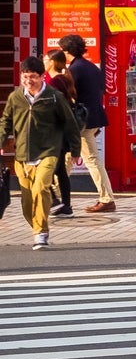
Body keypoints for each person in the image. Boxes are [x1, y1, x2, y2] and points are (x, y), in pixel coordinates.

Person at [3, 59, 81, 249]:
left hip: (48, 152)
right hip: (22, 155)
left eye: (33, 77)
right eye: (25, 77)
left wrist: (75, 151)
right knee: (26, 203)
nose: (29, 81)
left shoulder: (54, 97)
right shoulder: (16, 97)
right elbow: (5, 120)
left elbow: (71, 124)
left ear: (41, 76)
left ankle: (41, 233)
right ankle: (38, 227)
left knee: (41, 189)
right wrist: (2, 140)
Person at [56, 35, 114, 214]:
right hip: (93, 118)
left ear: (67, 51)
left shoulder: (74, 70)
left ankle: (107, 199)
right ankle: (55, 195)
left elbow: (69, 96)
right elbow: (101, 91)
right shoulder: (91, 67)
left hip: (81, 122)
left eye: (62, 50)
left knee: (91, 160)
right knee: (65, 158)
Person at [41, 53, 79, 218]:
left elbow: (52, 108)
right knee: (60, 170)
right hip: (62, 132)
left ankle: (56, 202)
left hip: (55, 132)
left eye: (45, 60)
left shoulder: (54, 82)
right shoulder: (64, 79)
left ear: (52, 62)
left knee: (48, 169)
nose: (43, 62)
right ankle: (66, 205)